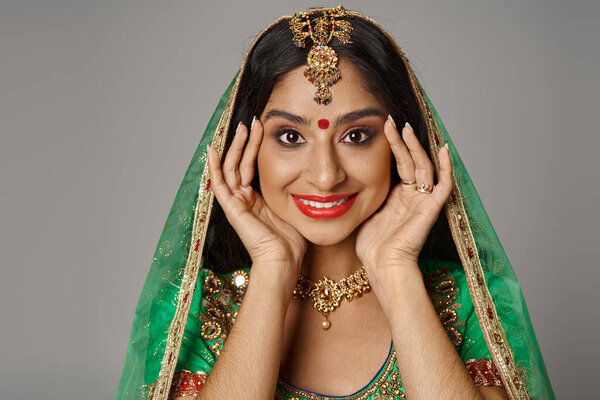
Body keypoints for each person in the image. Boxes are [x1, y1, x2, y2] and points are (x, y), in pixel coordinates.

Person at [116, 6, 554, 400]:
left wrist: (395, 269)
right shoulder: (191, 311)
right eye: (290, 137)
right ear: (244, 149)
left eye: (356, 136)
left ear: (403, 145)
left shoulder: (468, 301)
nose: (326, 176)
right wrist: (272, 268)